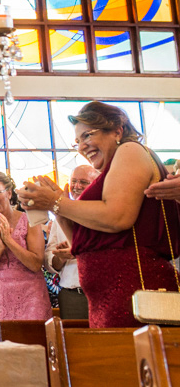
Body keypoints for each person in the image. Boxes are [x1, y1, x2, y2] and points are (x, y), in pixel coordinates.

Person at [21, 101, 180, 328]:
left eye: (88, 135)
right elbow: (82, 244)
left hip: (134, 292)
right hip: (109, 298)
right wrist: (58, 208)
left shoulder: (130, 150)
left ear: (117, 130)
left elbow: (117, 217)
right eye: (77, 141)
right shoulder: (111, 170)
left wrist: (57, 202)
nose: (82, 146)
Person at [0, 171, 51, 322]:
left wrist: (9, 241)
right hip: (1, 296)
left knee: (35, 342)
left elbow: (36, 264)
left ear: (9, 193)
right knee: (5, 343)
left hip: (32, 296)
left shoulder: (29, 220)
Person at [46, 165, 101, 319]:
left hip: (102, 290)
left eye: (83, 182)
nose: (76, 186)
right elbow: (50, 261)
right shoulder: (60, 215)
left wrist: (78, 253)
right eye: (74, 181)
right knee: (71, 339)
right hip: (71, 295)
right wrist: (61, 257)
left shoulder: (104, 212)